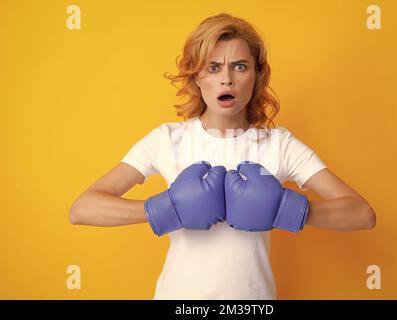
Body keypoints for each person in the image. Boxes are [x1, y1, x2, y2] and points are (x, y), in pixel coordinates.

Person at [69, 13, 376, 300]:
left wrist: (286, 208)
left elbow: (362, 214)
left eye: (240, 66)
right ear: (196, 77)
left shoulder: (279, 145)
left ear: (256, 76)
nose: (226, 79)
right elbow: (83, 209)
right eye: (213, 68)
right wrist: (165, 208)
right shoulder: (168, 140)